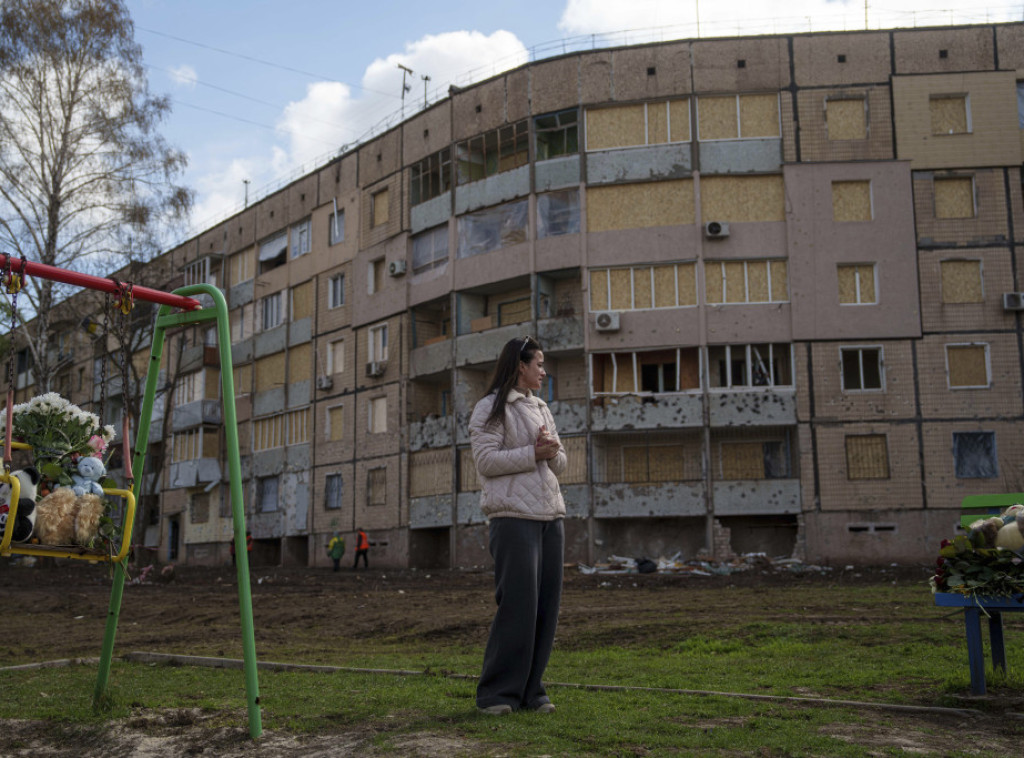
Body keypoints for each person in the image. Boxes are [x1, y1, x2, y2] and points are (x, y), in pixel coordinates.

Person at [469, 335, 567, 716]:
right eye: (538, 363)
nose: (544, 370)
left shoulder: (542, 407)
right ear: (520, 366)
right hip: (512, 517)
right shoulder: (490, 408)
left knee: (546, 608)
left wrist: (551, 451)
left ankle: (531, 692)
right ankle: (496, 694)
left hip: (550, 516)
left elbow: (560, 465)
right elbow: (486, 463)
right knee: (518, 607)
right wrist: (533, 453)